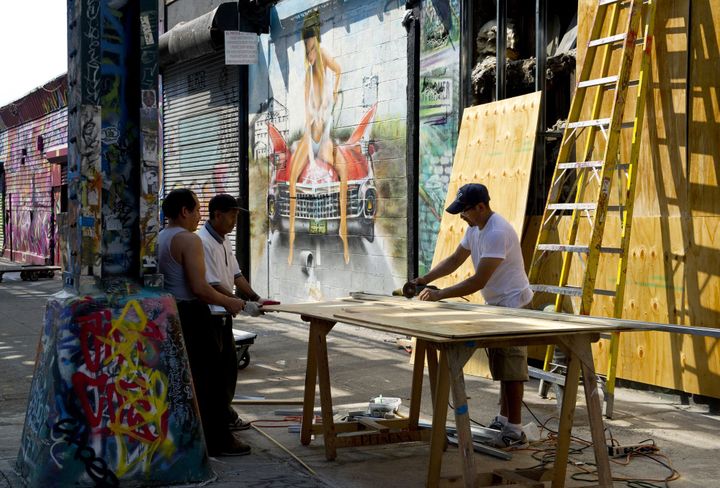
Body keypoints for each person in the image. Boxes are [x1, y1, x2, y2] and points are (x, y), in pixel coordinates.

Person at [410, 183, 533, 448]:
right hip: (497, 304)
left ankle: (515, 429)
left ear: (481, 207)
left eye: (464, 211)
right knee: (501, 365)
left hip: (513, 305)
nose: (462, 216)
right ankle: (504, 418)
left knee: (511, 368)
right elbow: (455, 260)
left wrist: (440, 294)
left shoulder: (497, 232)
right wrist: (425, 278)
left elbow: (478, 280)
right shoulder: (475, 229)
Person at [158, 188, 251, 456]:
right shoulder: (189, 240)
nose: (200, 216)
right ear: (184, 211)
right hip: (191, 314)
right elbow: (200, 287)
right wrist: (230, 302)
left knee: (189, 380)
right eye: (197, 209)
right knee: (211, 381)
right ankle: (219, 439)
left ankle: (195, 434)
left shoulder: (162, 237)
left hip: (171, 313)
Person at [197, 194, 267, 435]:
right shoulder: (202, 242)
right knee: (215, 372)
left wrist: (256, 298)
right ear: (217, 214)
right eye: (232, 214)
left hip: (224, 314)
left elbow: (236, 276)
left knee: (228, 368)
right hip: (209, 315)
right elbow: (213, 284)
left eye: (237, 214)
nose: (235, 219)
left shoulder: (224, 240)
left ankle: (224, 414)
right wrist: (239, 303)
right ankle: (218, 421)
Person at [287, 11, 349, 265]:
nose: (310, 48)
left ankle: (343, 233)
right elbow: (306, 104)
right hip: (309, 132)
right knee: (292, 180)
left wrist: (334, 93)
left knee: (343, 177)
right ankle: (291, 243)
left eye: (311, 40)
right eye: (307, 43)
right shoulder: (308, 65)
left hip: (323, 133)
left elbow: (339, 70)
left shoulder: (321, 54)